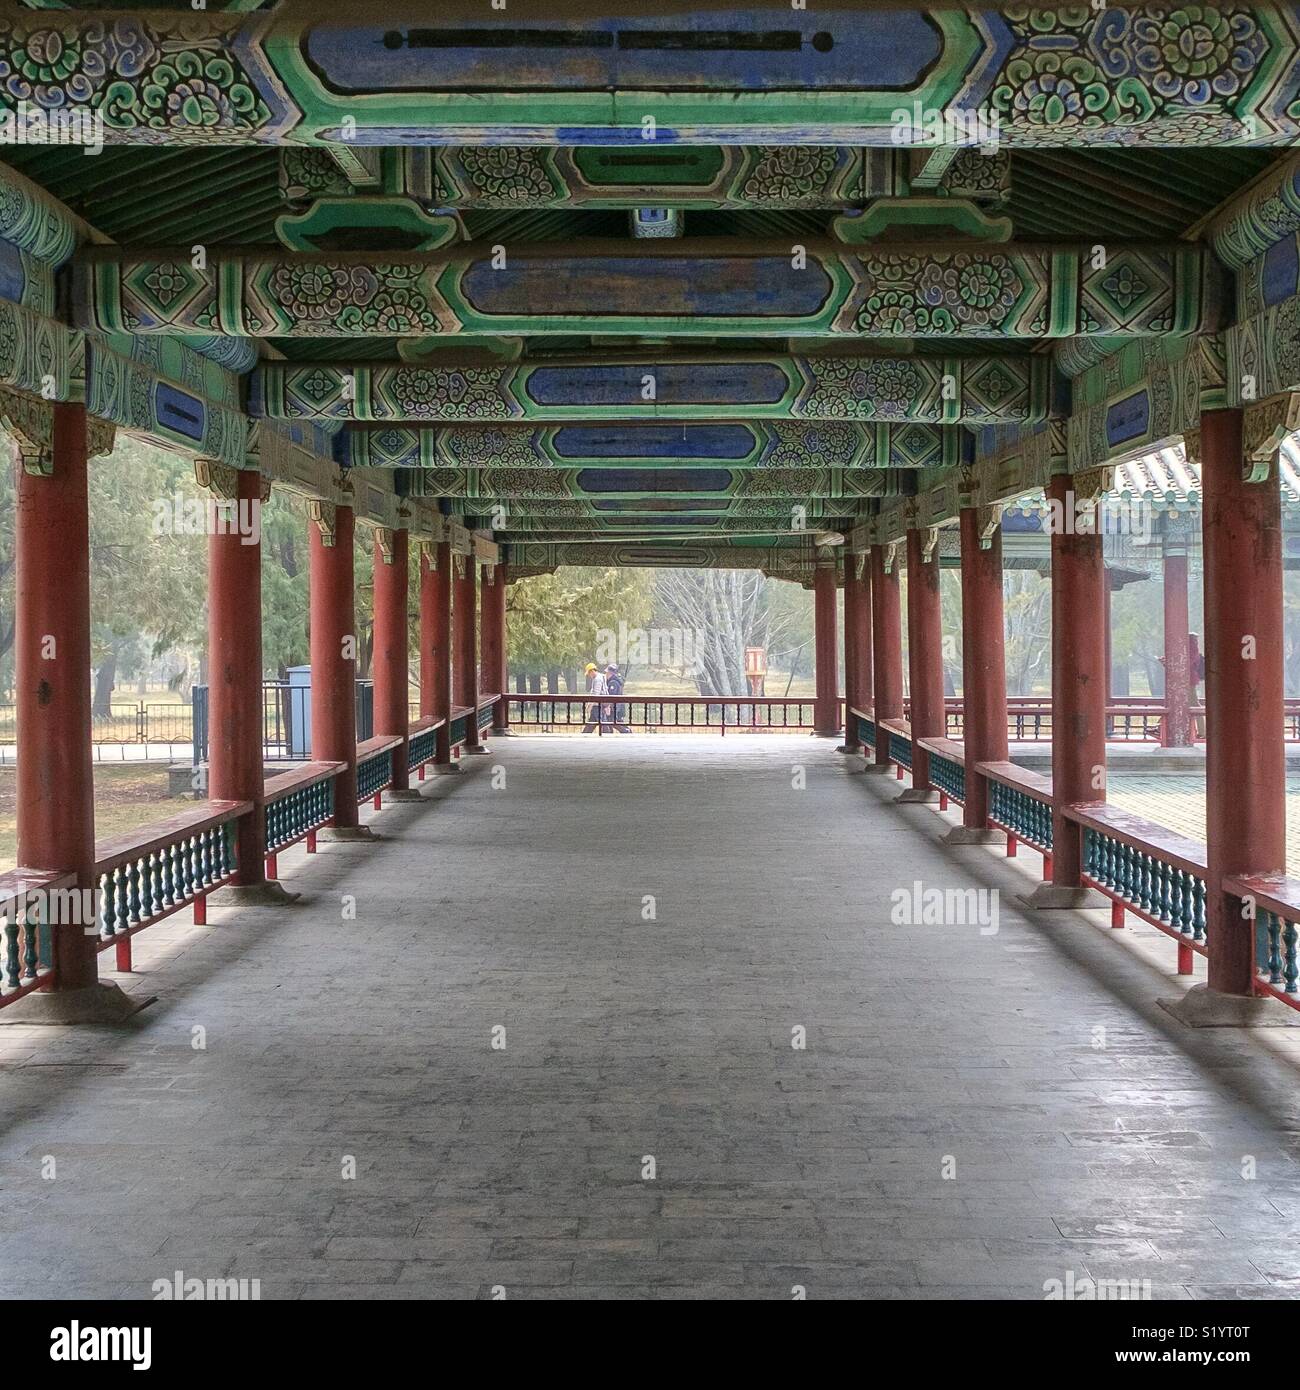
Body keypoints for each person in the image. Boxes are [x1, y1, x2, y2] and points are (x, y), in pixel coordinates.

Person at [582, 661, 608, 733]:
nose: (589, 675)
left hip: (597, 704)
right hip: (600, 703)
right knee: (592, 721)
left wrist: (590, 704)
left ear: (592, 671)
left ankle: (607, 733)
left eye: (589, 673)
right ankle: (585, 733)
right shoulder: (601, 676)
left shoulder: (597, 679)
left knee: (601, 721)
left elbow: (596, 694)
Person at [605, 663, 632, 733]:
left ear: (610, 673)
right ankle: (624, 731)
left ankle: (626, 731)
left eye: (607, 673)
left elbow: (612, 696)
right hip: (618, 706)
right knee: (615, 721)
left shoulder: (613, 682)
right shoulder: (616, 681)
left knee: (612, 721)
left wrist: (608, 706)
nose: (606, 674)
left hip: (614, 706)